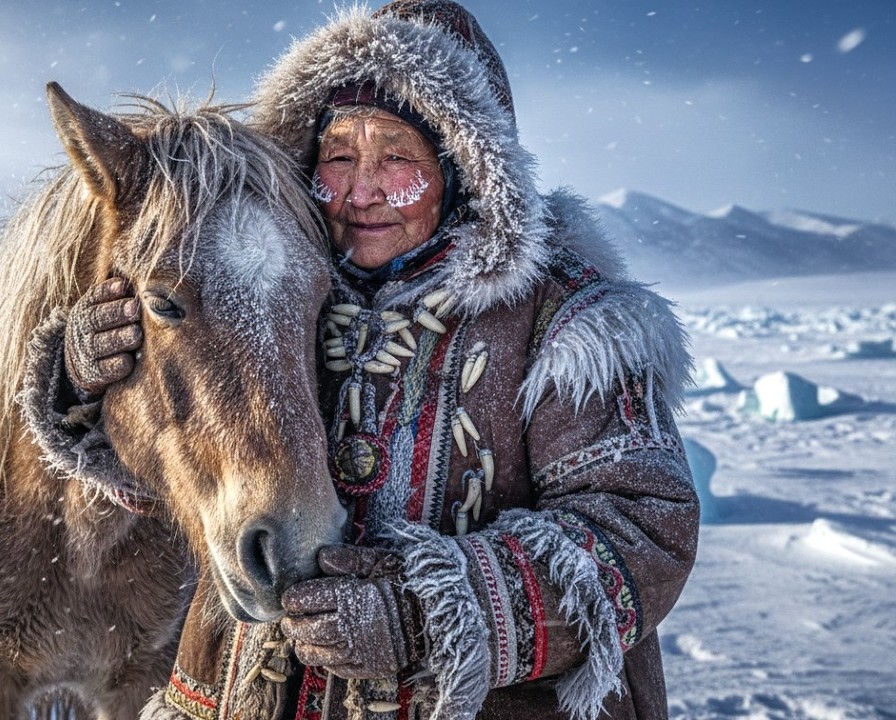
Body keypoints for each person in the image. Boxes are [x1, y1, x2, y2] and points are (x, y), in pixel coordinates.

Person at [55, 2, 699, 718]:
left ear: (465, 170)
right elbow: (187, 456)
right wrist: (94, 383)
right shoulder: (284, 291)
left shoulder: (569, 324)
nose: (361, 192)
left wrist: (428, 615)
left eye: (396, 157)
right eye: (337, 155)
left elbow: (641, 532)